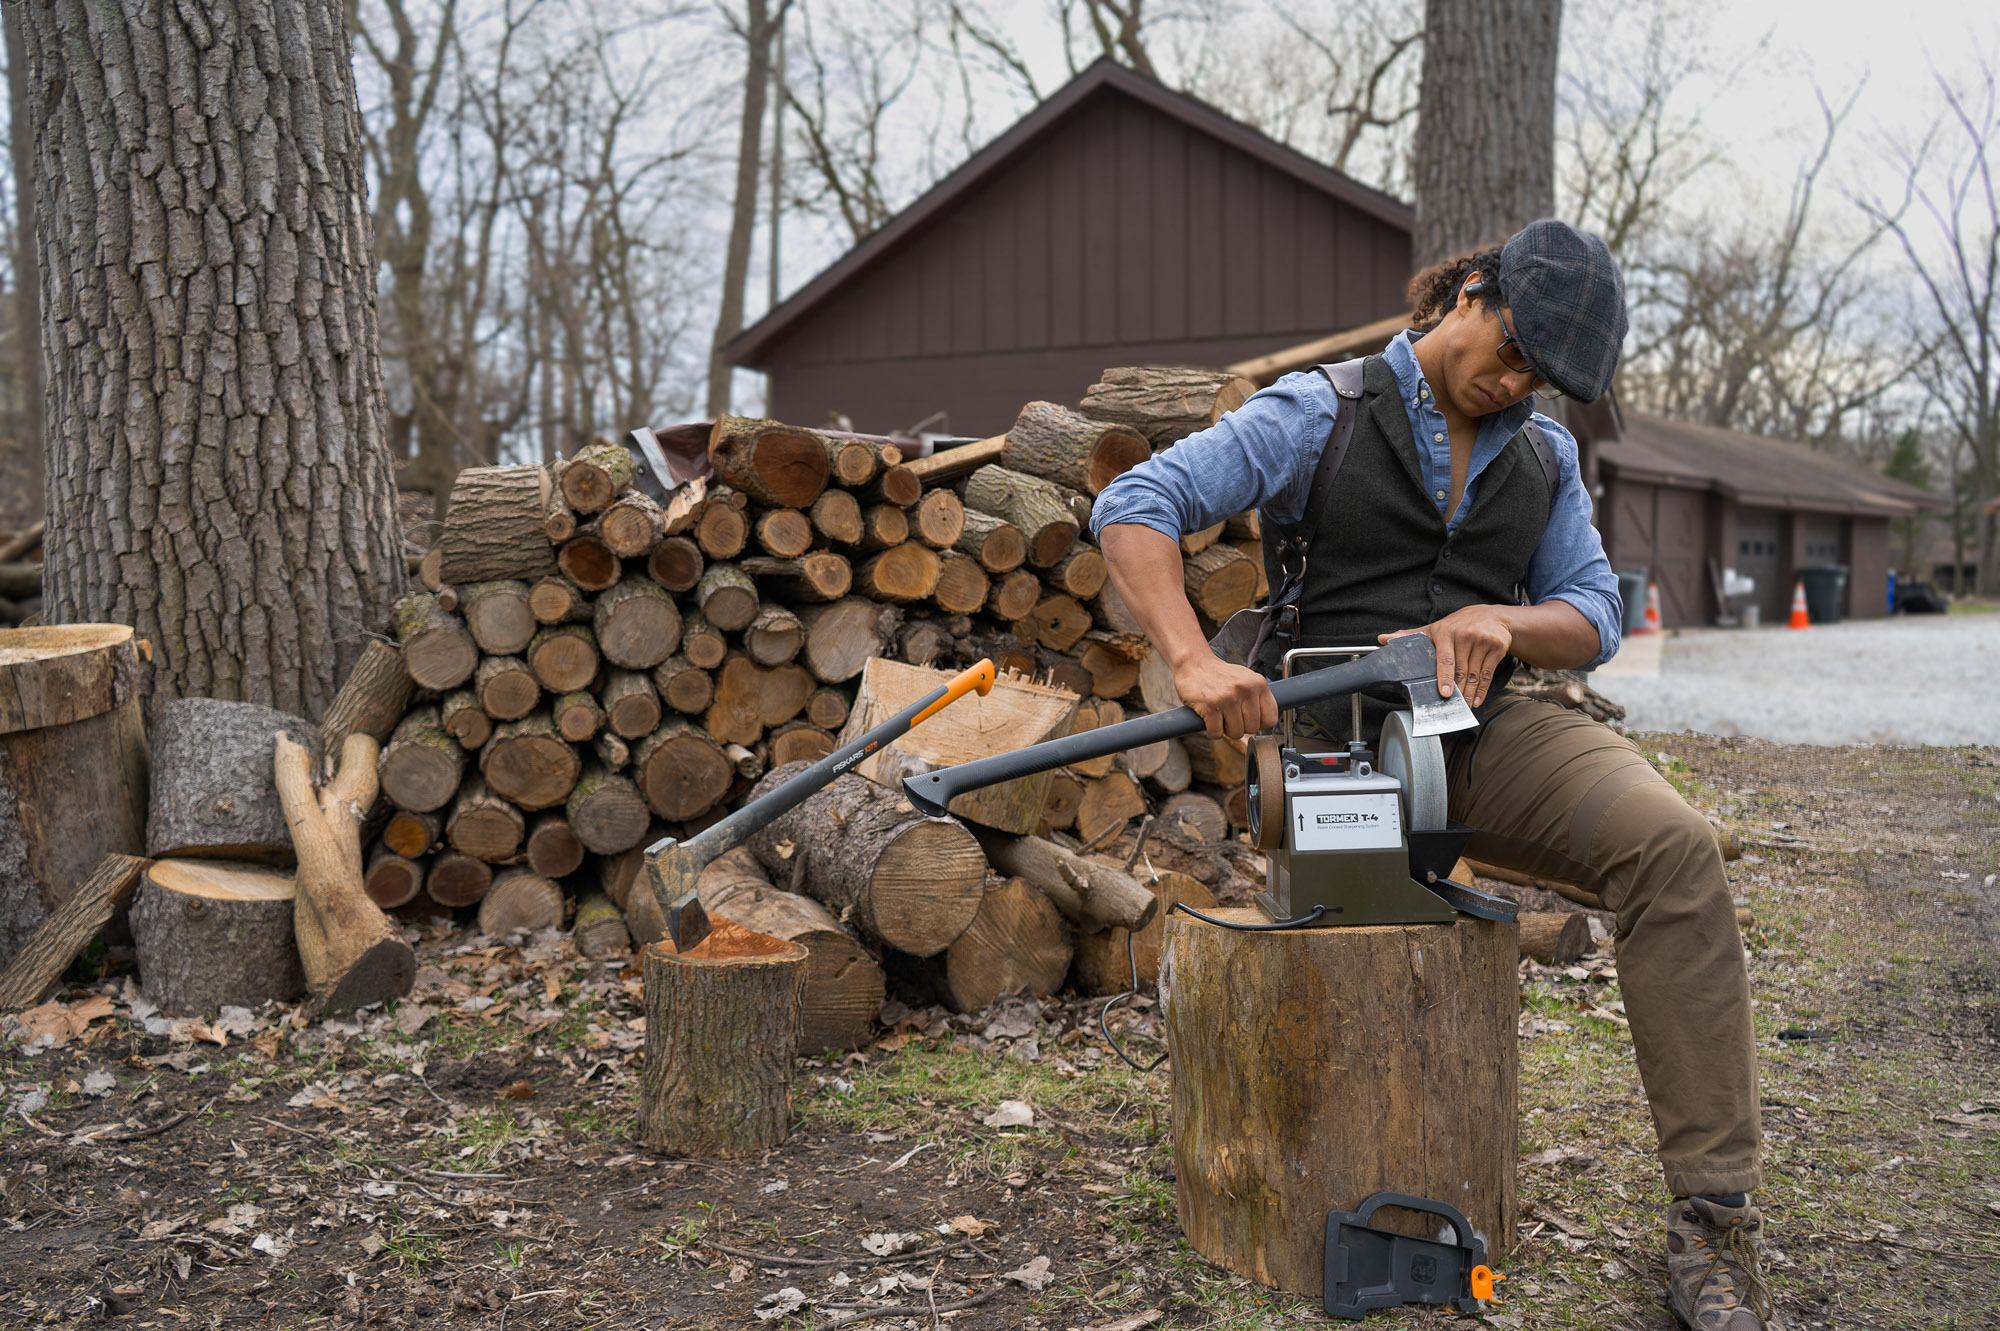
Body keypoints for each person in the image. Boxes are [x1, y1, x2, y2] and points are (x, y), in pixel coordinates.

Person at [1090, 219, 1773, 1331]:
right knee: (1346, 937)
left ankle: (1713, 1228)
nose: (1512, 386)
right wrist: (1191, 655)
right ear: (1466, 294)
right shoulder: (1317, 410)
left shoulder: (1544, 457)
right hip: (1325, 740)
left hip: (1476, 734)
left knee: (1673, 848)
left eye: (1536, 379)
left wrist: (1502, 619)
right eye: (1507, 355)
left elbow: (1594, 613)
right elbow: (1132, 508)